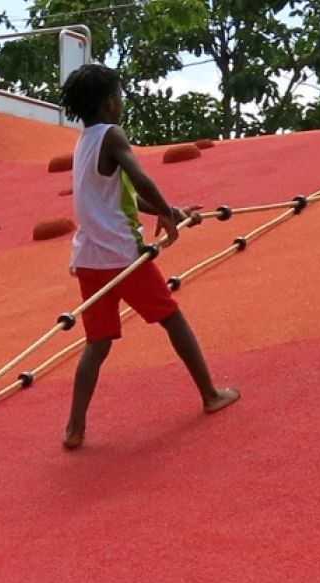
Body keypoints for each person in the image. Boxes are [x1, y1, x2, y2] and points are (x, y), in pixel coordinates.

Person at [58, 63, 240, 451]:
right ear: (109, 102)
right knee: (173, 318)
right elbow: (142, 180)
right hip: (122, 256)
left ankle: (74, 428)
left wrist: (170, 211)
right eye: (119, 95)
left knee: (98, 342)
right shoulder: (112, 135)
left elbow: (122, 197)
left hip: (90, 258)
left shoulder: (85, 141)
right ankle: (210, 394)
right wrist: (166, 217)